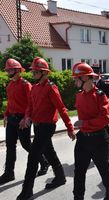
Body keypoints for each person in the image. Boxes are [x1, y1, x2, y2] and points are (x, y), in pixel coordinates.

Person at [16, 57, 76, 200]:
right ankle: (60, 176)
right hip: (37, 126)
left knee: (33, 157)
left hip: (47, 126)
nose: (33, 74)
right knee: (49, 152)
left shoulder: (51, 88)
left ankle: (27, 190)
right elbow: (30, 106)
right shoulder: (35, 88)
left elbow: (61, 108)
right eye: (33, 72)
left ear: (44, 73)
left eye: (36, 72)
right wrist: (27, 118)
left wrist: (69, 128)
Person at [0, 59, 49, 186]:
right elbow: (10, 103)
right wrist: (6, 114)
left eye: (10, 69)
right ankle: (9, 173)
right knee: (10, 146)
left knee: (26, 144)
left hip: (23, 119)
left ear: (17, 70)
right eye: (7, 70)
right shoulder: (10, 85)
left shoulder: (26, 84)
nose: (8, 71)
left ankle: (43, 162)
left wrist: (25, 118)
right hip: (11, 119)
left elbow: (30, 104)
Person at [72, 63, 109, 200]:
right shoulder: (79, 95)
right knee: (79, 172)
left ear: (86, 77)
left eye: (76, 78)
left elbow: (106, 118)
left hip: (98, 139)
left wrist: (85, 123)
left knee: (104, 169)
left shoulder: (100, 95)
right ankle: (78, 197)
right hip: (83, 139)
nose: (74, 81)